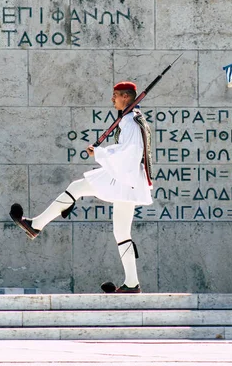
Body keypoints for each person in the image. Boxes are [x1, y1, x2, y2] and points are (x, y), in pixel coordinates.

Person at [10, 81, 153, 294]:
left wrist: (101, 153)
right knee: (121, 231)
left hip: (124, 177)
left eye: (115, 95)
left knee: (77, 188)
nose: (112, 99)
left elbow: (129, 153)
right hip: (128, 179)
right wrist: (104, 153)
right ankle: (132, 283)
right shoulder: (131, 119)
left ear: (126, 96)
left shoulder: (131, 122)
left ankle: (36, 225)